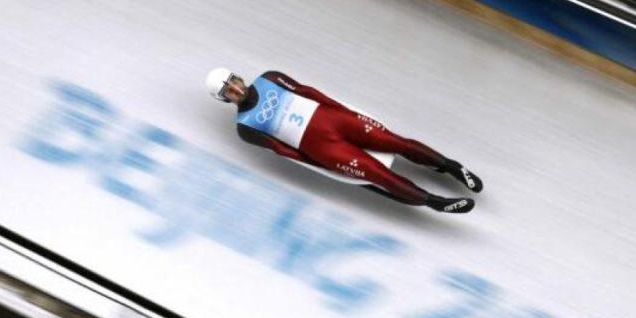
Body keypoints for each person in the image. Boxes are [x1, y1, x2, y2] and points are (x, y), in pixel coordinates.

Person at [205, 68, 482, 213]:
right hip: (323, 149)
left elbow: (308, 91)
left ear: (238, 76)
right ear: (224, 99)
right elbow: (281, 150)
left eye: (233, 81)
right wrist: (319, 163)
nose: (235, 88)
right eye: (227, 90)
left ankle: (452, 167)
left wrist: (345, 112)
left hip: (333, 118)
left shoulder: (270, 78)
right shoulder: (245, 127)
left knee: (397, 142)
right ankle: (436, 202)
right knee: (377, 174)